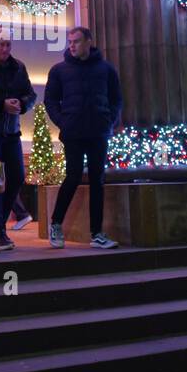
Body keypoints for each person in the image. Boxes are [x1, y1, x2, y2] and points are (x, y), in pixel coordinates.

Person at [44, 27, 122, 250]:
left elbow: (116, 98)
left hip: (98, 131)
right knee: (73, 176)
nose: (71, 45)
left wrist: (110, 120)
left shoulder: (106, 69)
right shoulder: (59, 70)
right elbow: (50, 100)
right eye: (70, 41)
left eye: (76, 41)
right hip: (73, 132)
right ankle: (56, 224)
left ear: (89, 42)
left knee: (98, 180)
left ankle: (97, 233)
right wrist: (63, 121)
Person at [0, 35, 37, 251]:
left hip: (12, 133)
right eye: (1, 44)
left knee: (17, 178)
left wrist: (22, 104)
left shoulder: (18, 67)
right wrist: (1, 105)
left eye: (8, 45)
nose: (5, 49)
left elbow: (30, 95)